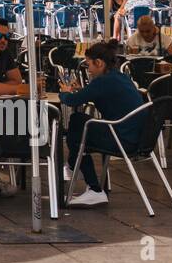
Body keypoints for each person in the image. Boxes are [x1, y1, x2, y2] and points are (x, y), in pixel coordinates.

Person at [58, 42, 148, 207]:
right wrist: (84, 89)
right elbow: (98, 93)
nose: (88, 69)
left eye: (89, 64)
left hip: (121, 139)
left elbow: (71, 100)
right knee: (79, 123)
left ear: (99, 63)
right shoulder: (119, 77)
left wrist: (63, 92)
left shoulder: (102, 82)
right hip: (137, 137)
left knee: (78, 127)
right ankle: (73, 166)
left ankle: (93, 187)